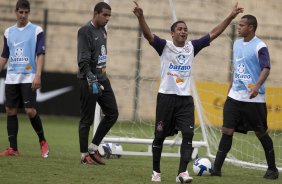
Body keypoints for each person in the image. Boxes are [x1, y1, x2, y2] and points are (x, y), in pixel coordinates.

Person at [133, 1, 243, 183]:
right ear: (172, 32)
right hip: (166, 99)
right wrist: (141, 17)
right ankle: (156, 172)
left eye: (185, 29)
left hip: (185, 100)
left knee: (188, 134)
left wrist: (231, 16)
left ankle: (182, 173)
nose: (184, 31)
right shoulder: (164, 46)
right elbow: (148, 35)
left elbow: (213, 33)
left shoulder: (191, 47)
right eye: (180, 29)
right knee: (159, 136)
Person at [211, 15, 279, 180]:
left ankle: (272, 169)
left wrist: (256, 86)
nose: (238, 27)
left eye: (242, 25)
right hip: (234, 97)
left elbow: (266, 68)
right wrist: (229, 92)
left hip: (254, 99)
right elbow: (237, 70)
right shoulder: (236, 44)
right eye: (239, 25)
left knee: (260, 133)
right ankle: (216, 169)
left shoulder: (260, 46)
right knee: (227, 130)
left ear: (251, 27)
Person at [0, 0, 49, 158]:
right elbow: (5, 55)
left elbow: (40, 54)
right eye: (20, 12)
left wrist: (38, 75)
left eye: (26, 12)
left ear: (29, 12)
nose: (23, 15)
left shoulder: (36, 31)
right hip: (11, 77)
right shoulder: (8, 32)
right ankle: (13, 148)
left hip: (29, 76)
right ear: (15, 12)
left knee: (29, 110)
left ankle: (43, 141)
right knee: (10, 110)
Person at [77, 2, 119, 165]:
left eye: (109, 15)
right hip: (88, 80)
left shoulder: (103, 30)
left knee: (112, 113)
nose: (107, 18)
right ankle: (84, 156)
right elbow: (83, 60)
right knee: (86, 120)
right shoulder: (85, 31)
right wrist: (90, 76)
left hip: (102, 78)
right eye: (105, 15)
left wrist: (99, 76)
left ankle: (93, 149)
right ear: (95, 13)